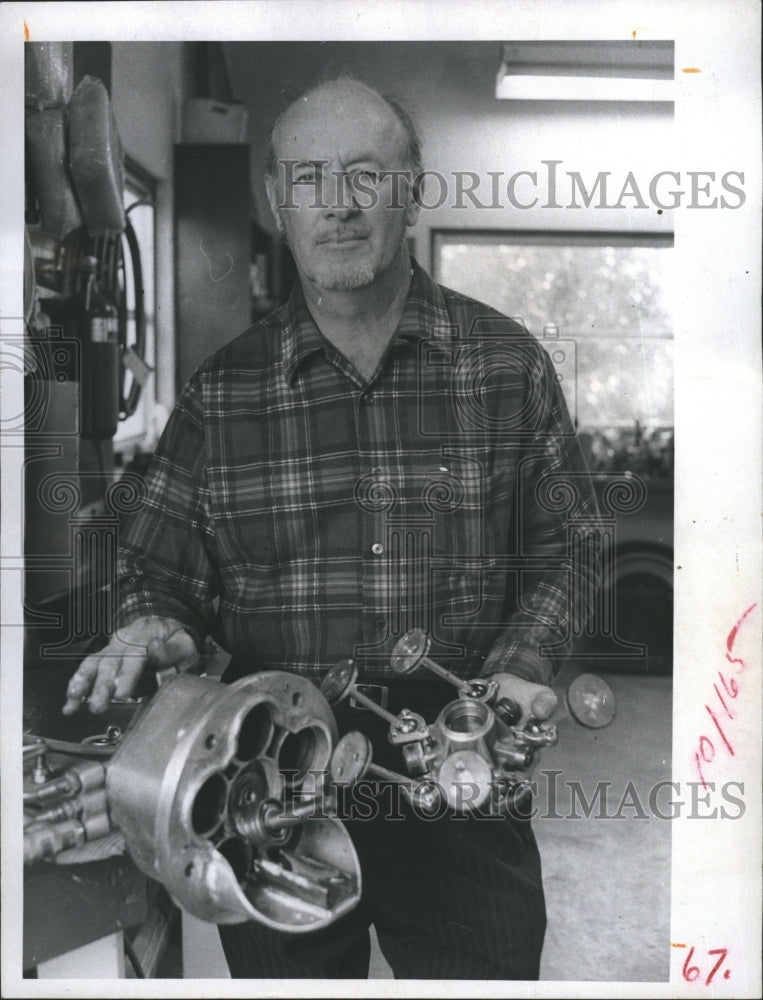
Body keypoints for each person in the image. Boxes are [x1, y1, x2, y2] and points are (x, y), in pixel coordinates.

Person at [63, 77, 600, 980]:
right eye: (309, 178)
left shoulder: (506, 367)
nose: (338, 205)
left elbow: (571, 550)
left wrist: (520, 664)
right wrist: (156, 617)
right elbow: (155, 567)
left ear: (412, 191)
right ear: (277, 201)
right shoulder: (223, 393)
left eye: (365, 175)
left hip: (459, 781)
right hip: (271, 789)